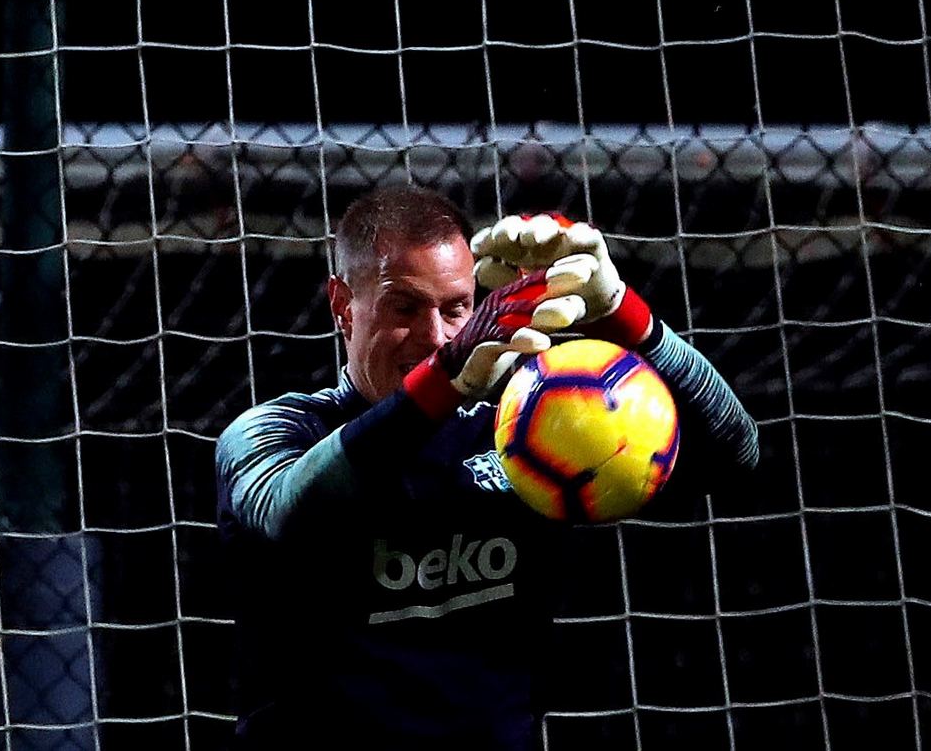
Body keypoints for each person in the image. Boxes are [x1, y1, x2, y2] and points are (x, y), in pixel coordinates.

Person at [215, 186, 759, 748]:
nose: (435, 337)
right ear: (342, 306)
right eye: (404, 307)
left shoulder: (519, 425)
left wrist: (624, 312)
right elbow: (290, 514)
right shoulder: (272, 433)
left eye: (455, 309)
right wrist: (443, 379)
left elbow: (733, 456)